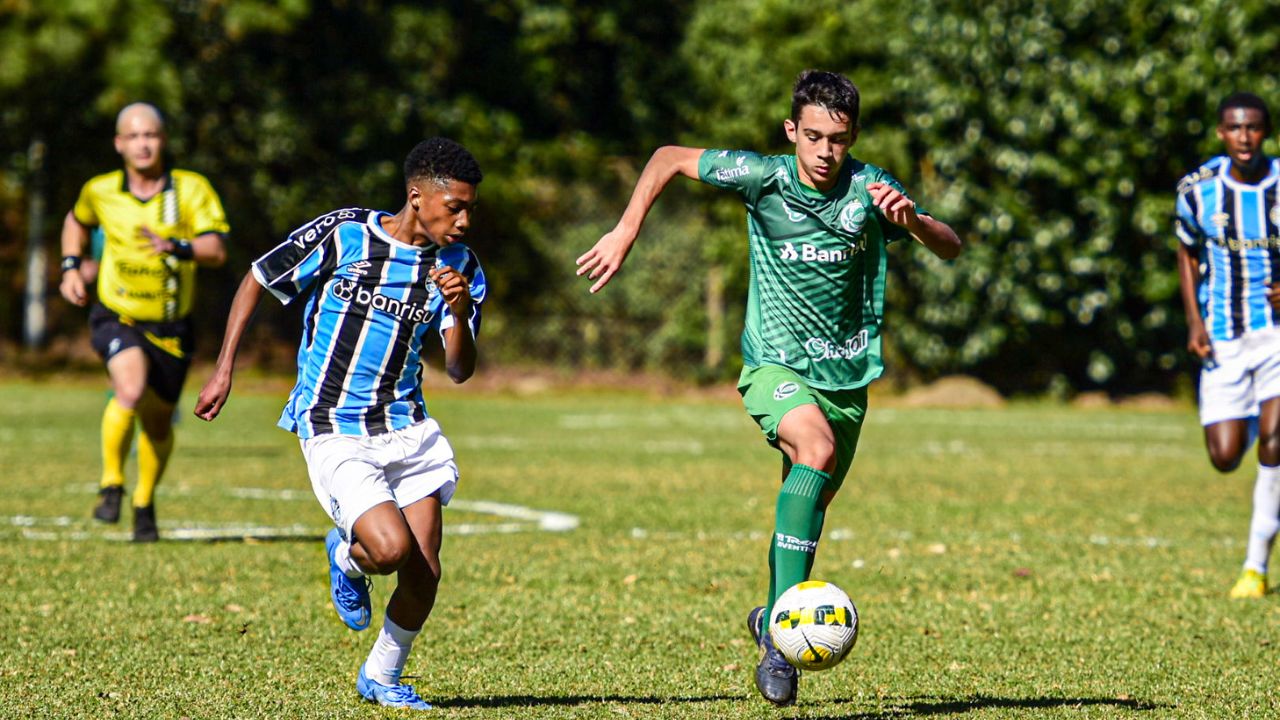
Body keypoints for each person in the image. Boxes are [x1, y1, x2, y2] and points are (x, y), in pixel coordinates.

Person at [576, 70, 961, 706]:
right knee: (815, 452)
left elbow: (949, 247)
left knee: (806, 512)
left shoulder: (872, 189)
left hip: (847, 377)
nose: (824, 152)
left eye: (837, 139)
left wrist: (914, 222)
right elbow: (669, 159)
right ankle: (783, 640)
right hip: (774, 366)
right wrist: (625, 232)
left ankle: (771, 623)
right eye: (812, 137)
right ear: (792, 132)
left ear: (852, 137)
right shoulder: (764, 176)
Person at [194, 138, 485, 710]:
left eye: (471, 208)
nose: (464, 220)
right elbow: (258, 277)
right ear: (417, 196)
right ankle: (346, 555)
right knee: (388, 550)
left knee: (424, 572)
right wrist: (223, 367)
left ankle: (381, 676)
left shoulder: (460, 267)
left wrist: (455, 313)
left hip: (407, 427)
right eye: (454, 206)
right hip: (333, 421)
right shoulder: (345, 234)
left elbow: (458, 369)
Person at [58, 102, 229, 542]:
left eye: (150, 135)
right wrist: (70, 267)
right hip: (118, 314)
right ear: (119, 144)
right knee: (128, 389)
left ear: (163, 140)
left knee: (157, 423)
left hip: (173, 327)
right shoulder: (100, 190)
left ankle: (143, 502)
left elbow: (216, 249)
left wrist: (176, 247)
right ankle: (111, 482)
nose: (142, 144)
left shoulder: (189, 190)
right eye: (133, 136)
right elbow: (75, 222)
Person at [1175, 92, 1280, 600]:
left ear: (1266, 132)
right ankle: (1261, 418)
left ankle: (1254, 568)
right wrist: (1194, 321)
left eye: (1254, 128)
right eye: (1235, 128)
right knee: (1224, 456)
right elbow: (1186, 251)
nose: (1245, 137)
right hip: (1223, 337)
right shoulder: (1198, 191)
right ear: (1221, 132)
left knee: (1276, 445)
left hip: (1276, 336)